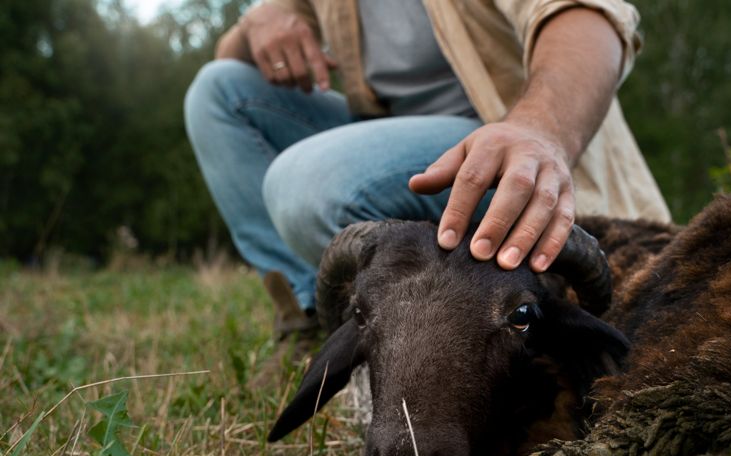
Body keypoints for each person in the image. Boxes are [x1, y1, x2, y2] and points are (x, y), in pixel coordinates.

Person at [184, 0, 671, 339]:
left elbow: (589, 18)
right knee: (218, 90)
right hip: (400, 145)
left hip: (514, 135)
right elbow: (231, 55)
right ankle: (312, 313)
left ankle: (423, 339)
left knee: (308, 186)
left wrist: (540, 131)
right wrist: (259, 20)